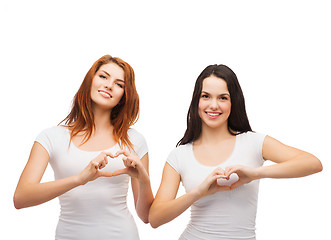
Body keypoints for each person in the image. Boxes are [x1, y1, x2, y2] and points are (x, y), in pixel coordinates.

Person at [149, 64, 323, 240]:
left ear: (234, 102)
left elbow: (312, 163)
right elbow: (155, 218)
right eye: (206, 96)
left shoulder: (253, 142)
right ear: (196, 101)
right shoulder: (180, 155)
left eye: (223, 98)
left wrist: (254, 173)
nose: (213, 105)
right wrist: (198, 192)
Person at [14, 55, 154, 240]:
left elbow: (146, 216)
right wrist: (80, 178)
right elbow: (21, 198)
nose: (109, 85)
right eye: (103, 76)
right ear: (90, 80)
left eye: (119, 84)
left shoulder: (134, 140)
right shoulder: (51, 137)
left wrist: (144, 180)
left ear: (124, 96)